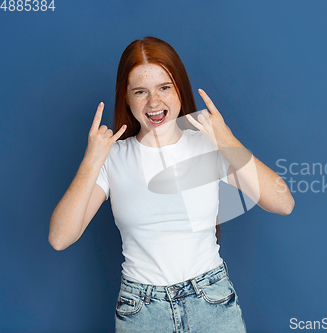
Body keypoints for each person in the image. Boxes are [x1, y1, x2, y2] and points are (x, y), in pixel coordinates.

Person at [48, 36, 295, 332]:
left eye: (164, 87)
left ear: (180, 87)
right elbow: (60, 238)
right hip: (141, 310)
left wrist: (226, 140)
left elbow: (283, 203)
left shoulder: (208, 143)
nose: (154, 102)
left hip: (212, 302)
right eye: (140, 91)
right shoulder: (112, 157)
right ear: (126, 97)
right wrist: (91, 161)